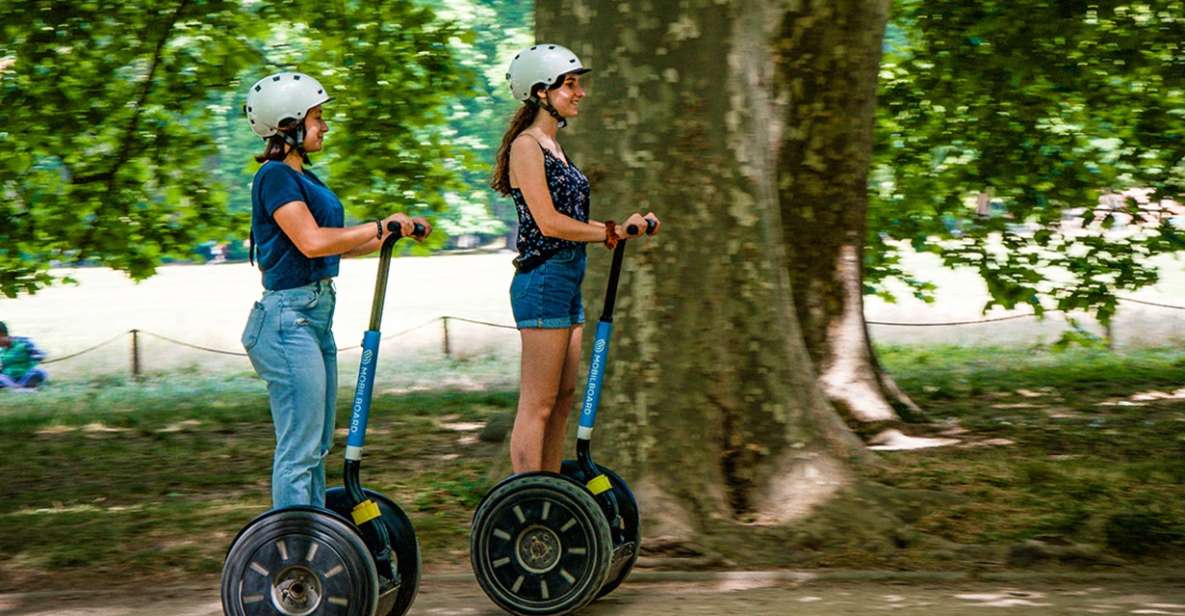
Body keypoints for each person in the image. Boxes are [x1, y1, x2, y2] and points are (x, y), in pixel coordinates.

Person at [241, 72, 431, 509]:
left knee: (316, 447)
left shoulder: (304, 178)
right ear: (288, 124)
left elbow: (334, 244)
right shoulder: (274, 177)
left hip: (313, 315)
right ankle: (292, 556)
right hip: (288, 320)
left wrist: (390, 234)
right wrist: (379, 226)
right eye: (318, 117)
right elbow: (311, 240)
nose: (324, 126)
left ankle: (316, 543)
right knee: (300, 450)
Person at [491, 44, 661, 474]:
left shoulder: (554, 146)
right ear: (540, 92)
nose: (580, 92)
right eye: (570, 84)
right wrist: (611, 231)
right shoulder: (527, 147)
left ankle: (552, 490)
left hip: (567, 278)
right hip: (543, 278)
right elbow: (548, 222)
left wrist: (621, 230)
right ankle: (525, 499)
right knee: (539, 404)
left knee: (563, 400)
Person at [0, 322, 47, 390]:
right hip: (11, 379)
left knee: (38, 372)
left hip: (26, 375)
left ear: (2, 334)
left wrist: (37, 357)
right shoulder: (2, 350)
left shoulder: (23, 342)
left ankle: (23, 387)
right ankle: (19, 387)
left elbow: (39, 355)